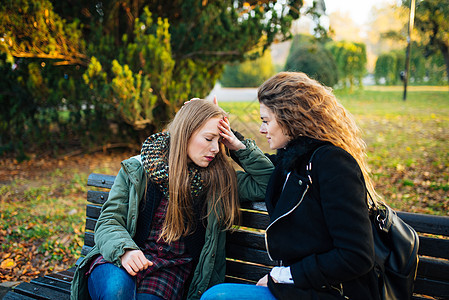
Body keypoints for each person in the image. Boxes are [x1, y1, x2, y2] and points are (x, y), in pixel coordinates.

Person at [70, 99, 274, 300]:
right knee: (117, 291)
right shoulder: (140, 168)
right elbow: (109, 221)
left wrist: (236, 144)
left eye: (218, 141)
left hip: (167, 274)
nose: (214, 149)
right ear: (185, 134)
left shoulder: (219, 180)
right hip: (120, 259)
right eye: (208, 138)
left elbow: (268, 182)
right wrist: (125, 250)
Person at [201, 72, 381, 300]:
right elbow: (266, 169)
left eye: (266, 121)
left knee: (217, 297)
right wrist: (231, 139)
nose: (261, 130)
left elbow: (356, 256)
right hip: (300, 291)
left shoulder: (333, 163)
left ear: (291, 118)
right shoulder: (294, 160)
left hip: (330, 293)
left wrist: (283, 275)